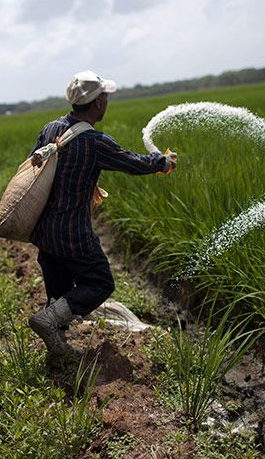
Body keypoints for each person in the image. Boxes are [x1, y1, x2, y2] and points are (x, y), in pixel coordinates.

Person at [28, 70, 177, 358]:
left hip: (44, 231)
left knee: (59, 292)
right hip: (73, 233)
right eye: (105, 97)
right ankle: (48, 321)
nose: (106, 102)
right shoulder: (94, 142)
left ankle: (56, 352)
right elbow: (133, 163)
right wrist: (163, 162)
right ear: (97, 104)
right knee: (99, 283)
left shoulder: (50, 129)